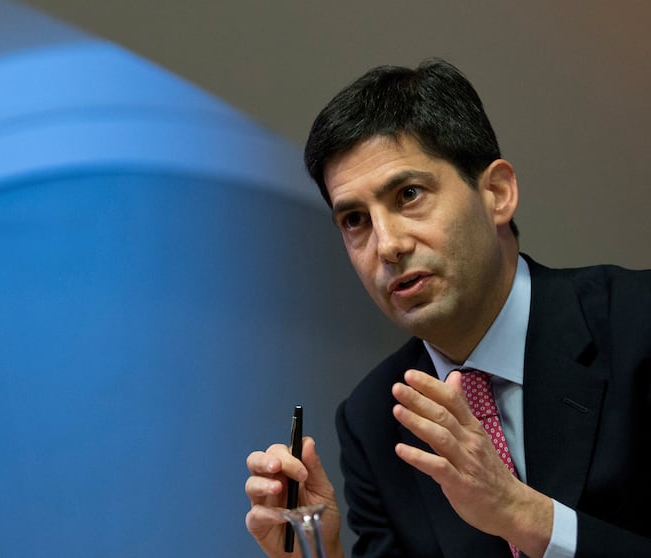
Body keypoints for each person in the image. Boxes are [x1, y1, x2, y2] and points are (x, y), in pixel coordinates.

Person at [244, 59, 651, 558]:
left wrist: (524, 515)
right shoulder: (375, 419)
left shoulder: (638, 322)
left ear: (497, 194)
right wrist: (314, 549)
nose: (387, 245)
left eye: (409, 195)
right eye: (355, 220)